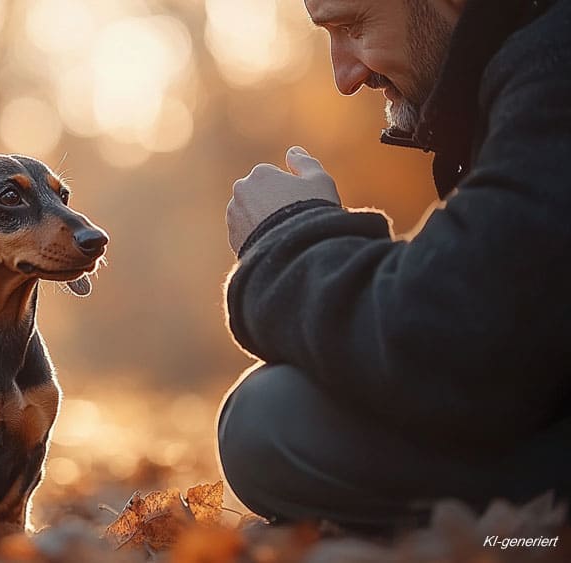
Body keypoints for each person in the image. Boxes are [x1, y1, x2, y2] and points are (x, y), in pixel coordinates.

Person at [217, 0, 571, 532]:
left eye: (354, 26)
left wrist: (288, 236)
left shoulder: (554, 62)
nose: (344, 76)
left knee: (269, 420)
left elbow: (457, 332)